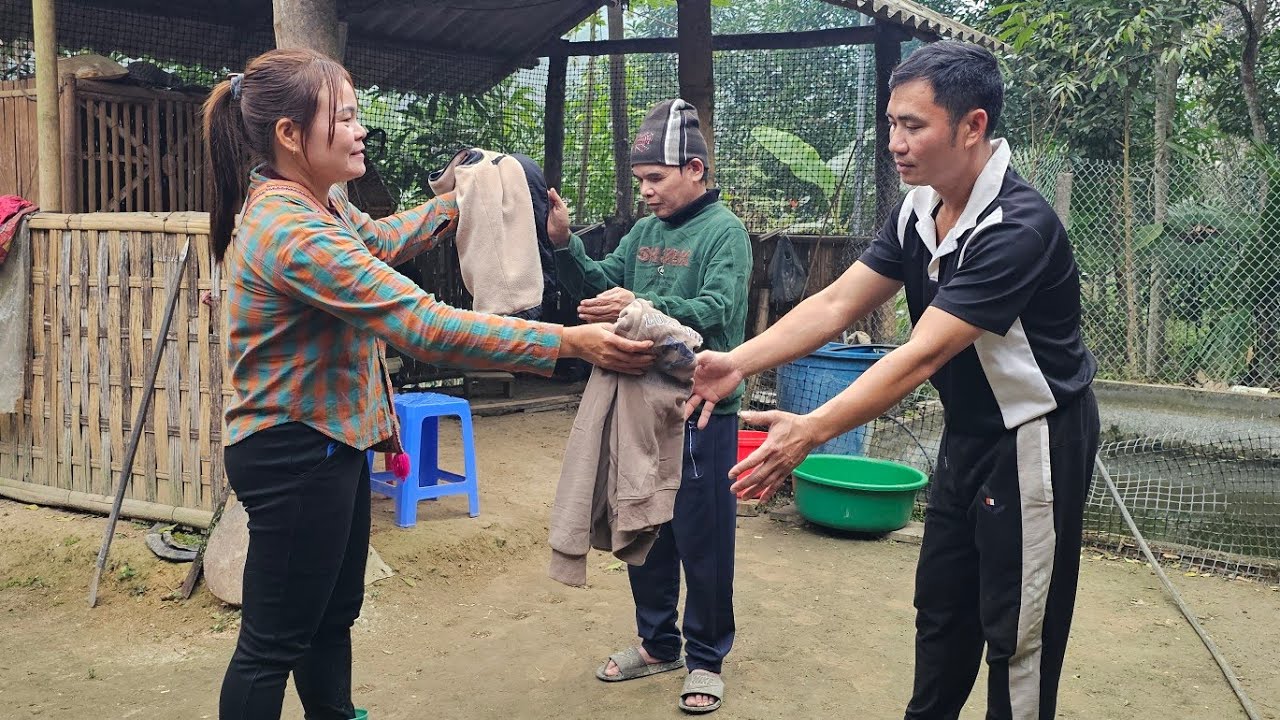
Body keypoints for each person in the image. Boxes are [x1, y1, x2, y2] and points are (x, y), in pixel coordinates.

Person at [204, 48, 655, 720]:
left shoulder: (321, 204)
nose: (360, 130)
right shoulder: (291, 230)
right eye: (345, 117)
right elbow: (424, 326)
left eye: (358, 116)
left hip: (330, 445)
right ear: (290, 135)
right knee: (273, 643)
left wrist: (456, 200)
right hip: (293, 453)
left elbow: (382, 238)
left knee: (331, 616)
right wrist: (565, 341)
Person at [685, 42, 1100, 720]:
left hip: (1034, 439)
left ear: (972, 127)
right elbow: (833, 305)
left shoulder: (1016, 227)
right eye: (891, 124)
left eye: (914, 125)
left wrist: (811, 433)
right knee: (941, 608)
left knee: (1017, 630)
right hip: (970, 435)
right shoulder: (918, 210)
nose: (895, 143)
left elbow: (919, 357)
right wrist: (738, 362)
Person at [547, 98, 752, 714]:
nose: (647, 194)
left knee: (702, 535)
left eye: (655, 180)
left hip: (700, 408)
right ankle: (658, 643)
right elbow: (598, 282)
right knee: (645, 522)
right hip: (639, 404)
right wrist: (564, 245)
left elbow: (716, 312)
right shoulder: (643, 233)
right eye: (640, 183)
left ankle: (707, 656)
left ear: (695, 169)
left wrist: (637, 307)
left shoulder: (726, 233)